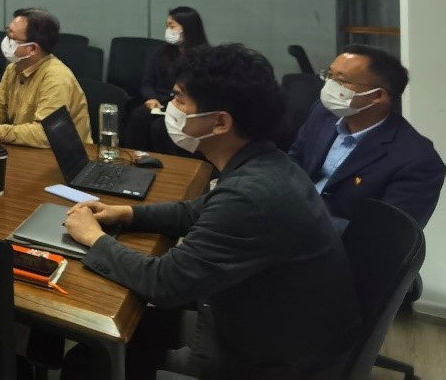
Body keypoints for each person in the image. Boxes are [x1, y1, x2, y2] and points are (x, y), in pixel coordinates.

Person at [62, 44, 360, 380]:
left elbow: (163, 283)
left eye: (179, 99)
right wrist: (126, 214)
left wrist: (94, 238)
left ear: (220, 122)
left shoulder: (250, 196)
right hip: (264, 322)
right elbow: (195, 211)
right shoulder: (267, 163)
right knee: (106, 345)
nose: (171, 109)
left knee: (89, 363)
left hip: (268, 361)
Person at [288, 44, 444, 231]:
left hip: (339, 244)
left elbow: (389, 233)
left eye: (341, 80)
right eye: (329, 75)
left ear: (377, 96)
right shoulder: (323, 113)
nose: (329, 86)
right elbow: (293, 162)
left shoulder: (418, 161)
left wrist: (305, 219)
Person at [0, 8, 89, 146]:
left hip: (64, 153)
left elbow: (45, 133)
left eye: (12, 39)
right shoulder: (14, 68)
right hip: (26, 147)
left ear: (33, 49)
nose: (6, 41)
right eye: (7, 33)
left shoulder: (57, 78)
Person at [122, 6, 209, 152]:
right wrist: (151, 98)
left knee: (160, 127)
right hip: (160, 103)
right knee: (139, 115)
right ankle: (136, 158)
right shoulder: (160, 52)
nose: (168, 30)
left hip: (184, 106)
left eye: (172, 26)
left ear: (187, 28)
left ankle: (167, 164)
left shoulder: (204, 57)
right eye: (167, 26)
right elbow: (147, 83)